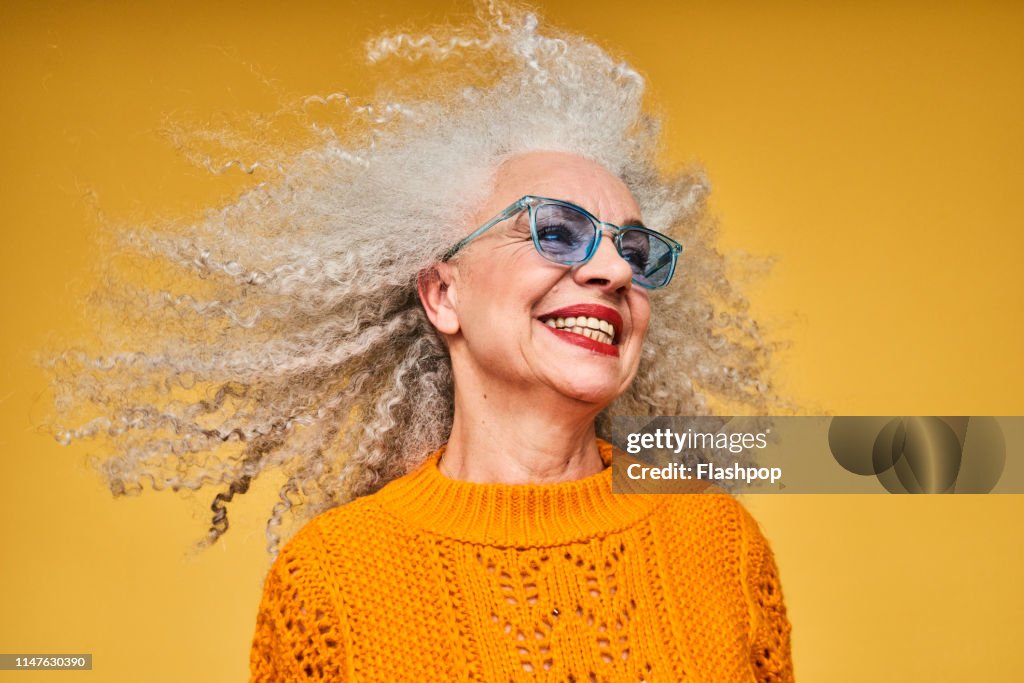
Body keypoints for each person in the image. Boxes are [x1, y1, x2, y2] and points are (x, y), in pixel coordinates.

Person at [50, 2, 792, 680]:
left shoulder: (721, 546)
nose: (610, 269)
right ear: (444, 293)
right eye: (557, 233)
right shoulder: (334, 580)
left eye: (633, 250)